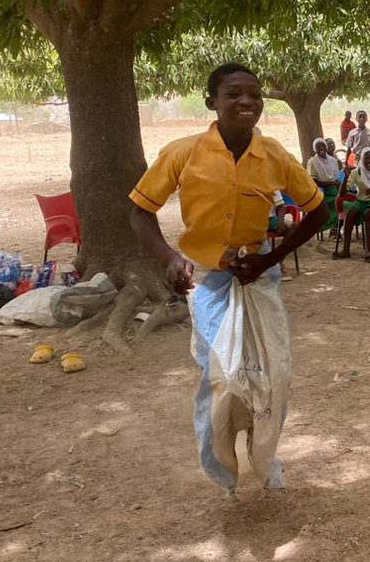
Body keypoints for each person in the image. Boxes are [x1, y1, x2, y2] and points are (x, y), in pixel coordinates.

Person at [129, 63, 329, 492]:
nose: (246, 103)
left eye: (254, 95)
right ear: (212, 103)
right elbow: (140, 211)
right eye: (234, 94)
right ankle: (221, 465)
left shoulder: (273, 155)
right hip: (207, 279)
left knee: (272, 373)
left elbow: (319, 211)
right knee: (220, 376)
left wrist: (269, 257)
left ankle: (265, 456)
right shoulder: (183, 153)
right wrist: (168, 257)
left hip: (259, 278)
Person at [334, 148, 370, 261]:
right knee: (351, 212)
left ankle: (369, 250)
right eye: (367, 158)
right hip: (361, 200)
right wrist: (346, 177)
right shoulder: (356, 172)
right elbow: (342, 193)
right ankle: (346, 249)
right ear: (362, 159)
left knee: (368, 213)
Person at [306, 138, 342, 231]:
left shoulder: (333, 160)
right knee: (332, 206)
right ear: (315, 149)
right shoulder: (312, 162)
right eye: (318, 147)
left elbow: (336, 177)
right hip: (321, 190)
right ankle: (332, 229)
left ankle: (335, 229)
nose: (321, 148)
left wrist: (335, 184)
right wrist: (332, 183)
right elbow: (314, 181)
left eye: (323, 146)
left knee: (343, 204)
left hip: (334, 189)